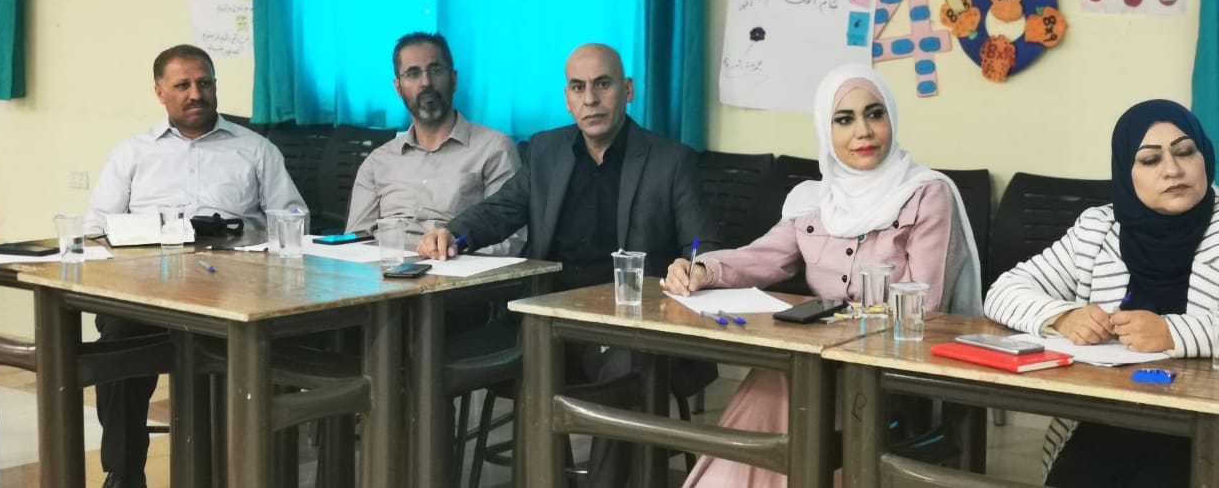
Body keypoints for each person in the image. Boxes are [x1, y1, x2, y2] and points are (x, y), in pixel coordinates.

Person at [418, 43, 722, 487]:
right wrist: (454, 233)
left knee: (629, 365)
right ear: (567, 98)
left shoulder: (670, 161)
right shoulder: (546, 150)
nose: (590, 99)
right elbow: (501, 210)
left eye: (603, 84)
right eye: (578, 87)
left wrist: (693, 263)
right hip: (547, 318)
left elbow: (702, 243)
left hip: (625, 324)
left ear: (628, 89)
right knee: (434, 355)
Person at [664, 63, 981, 488]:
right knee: (781, 377)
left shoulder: (926, 194)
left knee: (790, 381)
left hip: (890, 366)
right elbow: (763, 257)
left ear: (891, 117)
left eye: (875, 114)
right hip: (816, 362)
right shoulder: (814, 202)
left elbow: (925, 304)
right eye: (844, 119)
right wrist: (703, 270)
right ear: (824, 131)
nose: (863, 131)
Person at [85, 44, 305, 488]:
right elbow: (95, 227)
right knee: (118, 340)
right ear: (159, 92)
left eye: (204, 83)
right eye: (182, 85)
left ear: (215, 86)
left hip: (233, 289)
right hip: (148, 287)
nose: (195, 94)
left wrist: (248, 237)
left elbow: (293, 218)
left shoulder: (255, 150)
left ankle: (237, 471)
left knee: (249, 339)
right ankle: (124, 473)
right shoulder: (132, 153)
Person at [984, 99, 1218, 488]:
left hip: (1206, 422)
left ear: (1204, 156)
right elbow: (1002, 291)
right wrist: (1063, 317)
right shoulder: (1099, 228)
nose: (1173, 170)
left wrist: (1173, 333)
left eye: (1185, 152)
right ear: (1126, 172)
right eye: (1150, 159)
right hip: (1112, 416)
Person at [344, 31, 522, 255]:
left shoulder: (494, 149)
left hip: (454, 267)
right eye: (413, 73)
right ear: (398, 88)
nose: (426, 82)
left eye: (436, 70)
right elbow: (353, 241)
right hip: (387, 268)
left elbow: (510, 242)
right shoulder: (378, 161)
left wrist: (452, 251)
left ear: (453, 79)